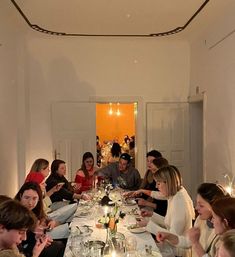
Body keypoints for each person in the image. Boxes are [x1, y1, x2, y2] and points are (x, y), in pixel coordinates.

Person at [134, 165, 195, 257]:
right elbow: (169, 222)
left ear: (167, 182)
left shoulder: (179, 202)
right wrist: (151, 215)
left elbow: (173, 236)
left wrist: (148, 225)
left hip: (177, 252)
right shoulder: (175, 194)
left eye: (158, 183)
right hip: (169, 246)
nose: (156, 186)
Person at [157, 183, 229, 257]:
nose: (196, 208)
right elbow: (188, 242)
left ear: (214, 206)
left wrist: (196, 243)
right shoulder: (201, 220)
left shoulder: (222, 231)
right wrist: (168, 236)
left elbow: (195, 243)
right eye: (197, 204)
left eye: (201, 205)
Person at [15, 182, 66, 257]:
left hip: (35, 242)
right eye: (26, 198)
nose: (30, 202)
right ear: (20, 196)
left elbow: (44, 217)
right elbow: (21, 243)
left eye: (34, 198)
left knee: (62, 243)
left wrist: (51, 221)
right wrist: (39, 241)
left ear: (39, 199)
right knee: (60, 246)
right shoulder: (15, 213)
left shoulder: (35, 210)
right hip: (25, 249)